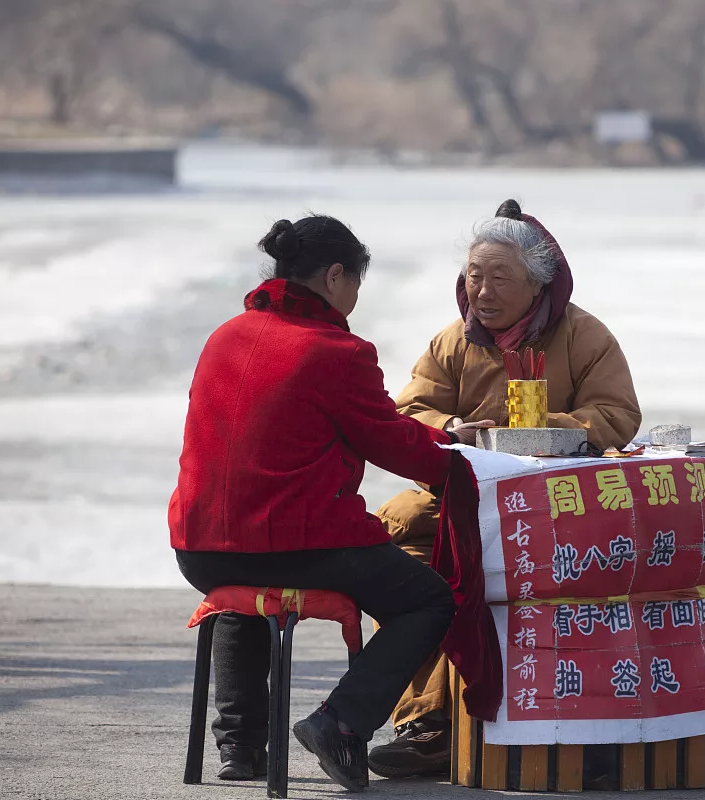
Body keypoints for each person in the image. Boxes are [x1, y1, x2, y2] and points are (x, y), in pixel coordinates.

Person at [169, 215, 488, 792]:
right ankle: (340, 722)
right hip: (296, 540)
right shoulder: (335, 351)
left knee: (248, 596)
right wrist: (456, 451)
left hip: (199, 548)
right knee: (428, 601)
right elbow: (394, 442)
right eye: (355, 287)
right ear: (334, 276)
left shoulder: (224, 336)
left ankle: (240, 748)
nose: (354, 302)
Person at [367, 199, 642, 779]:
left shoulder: (584, 336)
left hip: (550, 512)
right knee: (400, 565)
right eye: (474, 276)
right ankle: (426, 721)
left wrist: (541, 437)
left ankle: (474, 722)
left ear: (538, 284)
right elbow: (408, 411)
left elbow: (616, 413)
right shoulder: (451, 342)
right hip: (456, 504)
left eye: (500, 278)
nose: (483, 292)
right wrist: (449, 431)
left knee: (480, 578)